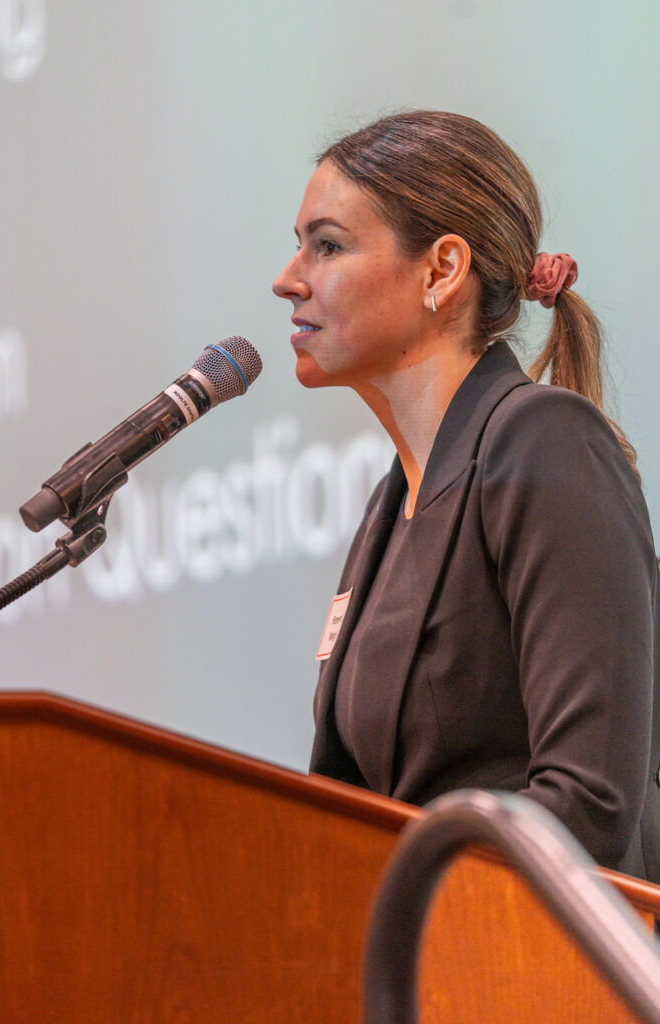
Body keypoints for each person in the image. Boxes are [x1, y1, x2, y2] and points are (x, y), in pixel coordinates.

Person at [272, 111, 659, 881]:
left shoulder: (546, 441)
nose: (290, 277)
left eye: (329, 245)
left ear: (442, 270)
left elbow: (590, 805)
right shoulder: (391, 507)